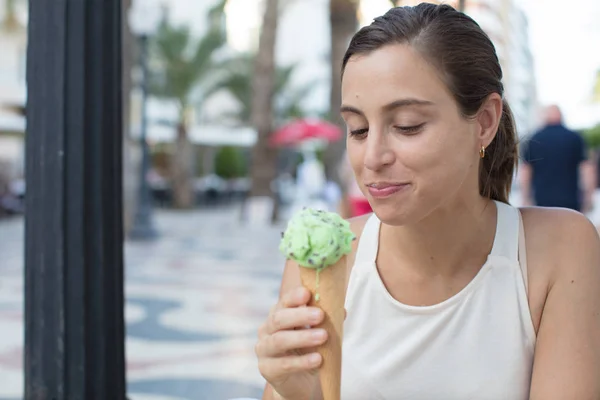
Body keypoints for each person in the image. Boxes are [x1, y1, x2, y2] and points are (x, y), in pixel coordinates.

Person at [255, 4, 600, 400]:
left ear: (484, 122)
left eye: (407, 126)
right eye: (359, 129)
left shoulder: (558, 250)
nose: (372, 158)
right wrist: (298, 394)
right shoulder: (323, 263)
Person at [520, 105, 596, 212]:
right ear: (561, 116)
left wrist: (525, 198)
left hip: (542, 202)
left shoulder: (534, 139)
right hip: (570, 202)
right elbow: (587, 170)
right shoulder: (575, 138)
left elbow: (526, 171)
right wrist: (588, 198)